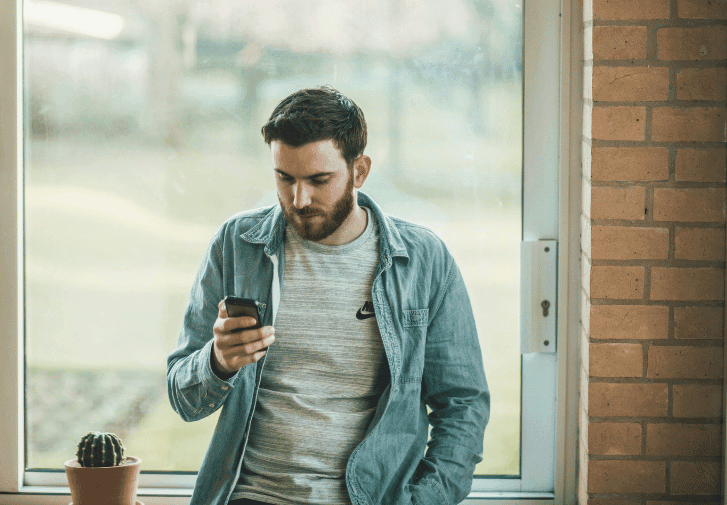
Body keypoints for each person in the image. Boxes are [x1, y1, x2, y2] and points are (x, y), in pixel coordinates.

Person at [166, 86, 489, 505]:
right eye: (285, 178)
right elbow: (183, 398)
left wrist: (426, 499)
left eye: (319, 180)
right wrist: (219, 361)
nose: (299, 199)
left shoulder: (423, 261)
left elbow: (462, 405)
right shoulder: (236, 245)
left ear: (359, 171)